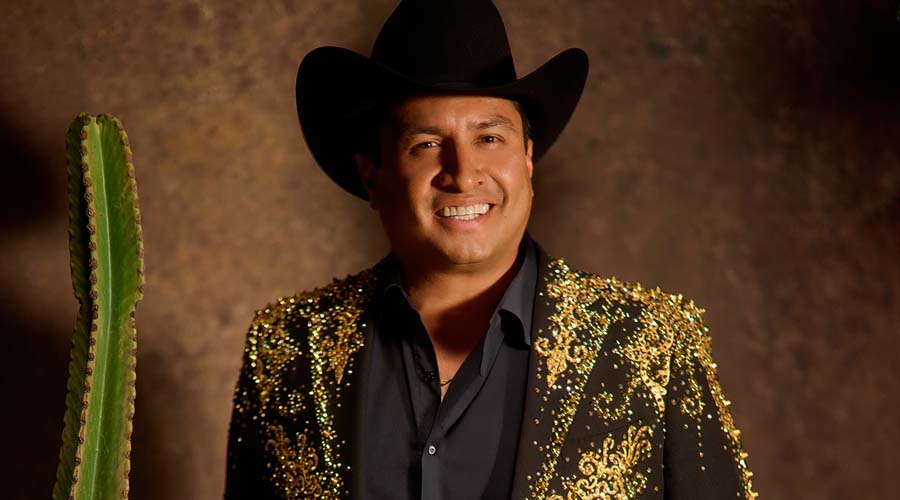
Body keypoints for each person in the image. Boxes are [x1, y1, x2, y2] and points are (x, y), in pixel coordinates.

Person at [224, 1, 758, 499]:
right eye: (426, 144)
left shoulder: (654, 344)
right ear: (373, 176)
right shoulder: (285, 348)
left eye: (489, 138)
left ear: (526, 159)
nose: (463, 174)